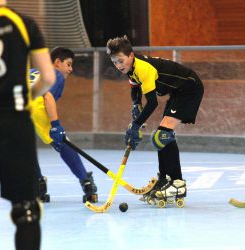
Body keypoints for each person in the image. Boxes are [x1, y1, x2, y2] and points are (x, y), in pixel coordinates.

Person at [0, 0, 56, 249]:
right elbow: (48, 77)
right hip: (14, 123)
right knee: (26, 209)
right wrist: (28, 96)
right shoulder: (24, 23)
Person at [106, 36, 204, 207]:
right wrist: (136, 104)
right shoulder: (132, 68)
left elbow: (152, 103)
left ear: (131, 55)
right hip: (177, 92)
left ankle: (178, 184)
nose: (119, 66)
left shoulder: (143, 68)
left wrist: (135, 125)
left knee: (162, 136)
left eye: (121, 61)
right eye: (114, 62)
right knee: (160, 137)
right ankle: (165, 179)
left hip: (189, 89)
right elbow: (135, 87)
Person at [30, 47, 98, 203]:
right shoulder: (55, 74)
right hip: (35, 108)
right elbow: (47, 97)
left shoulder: (33, 71)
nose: (70, 69)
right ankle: (86, 181)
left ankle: (38, 185)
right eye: (68, 64)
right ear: (57, 63)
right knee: (63, 144)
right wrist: (55, 125)